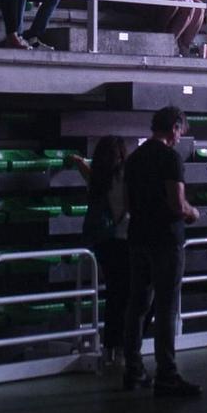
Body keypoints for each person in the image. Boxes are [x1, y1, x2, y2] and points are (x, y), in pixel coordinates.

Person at [119, 106, 202, 398]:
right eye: (181, 131)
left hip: (138, 236)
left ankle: (133, 368)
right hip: (166, 240)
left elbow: (127, 203)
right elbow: (177, 204)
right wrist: (193, 213)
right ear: (175, 127)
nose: (180, 137)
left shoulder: (135, 158)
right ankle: (166, 373)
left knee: (137, 305)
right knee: (166, 307)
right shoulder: (170, 158)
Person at [68, 137, 130, 368]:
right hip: (118, 239)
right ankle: (120, 348)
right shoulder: (119, 178)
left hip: (99, 240)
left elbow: (85, 168)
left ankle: (110, 349)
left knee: (114, 295)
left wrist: (75, 159)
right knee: (121, 296)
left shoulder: (97, 178)